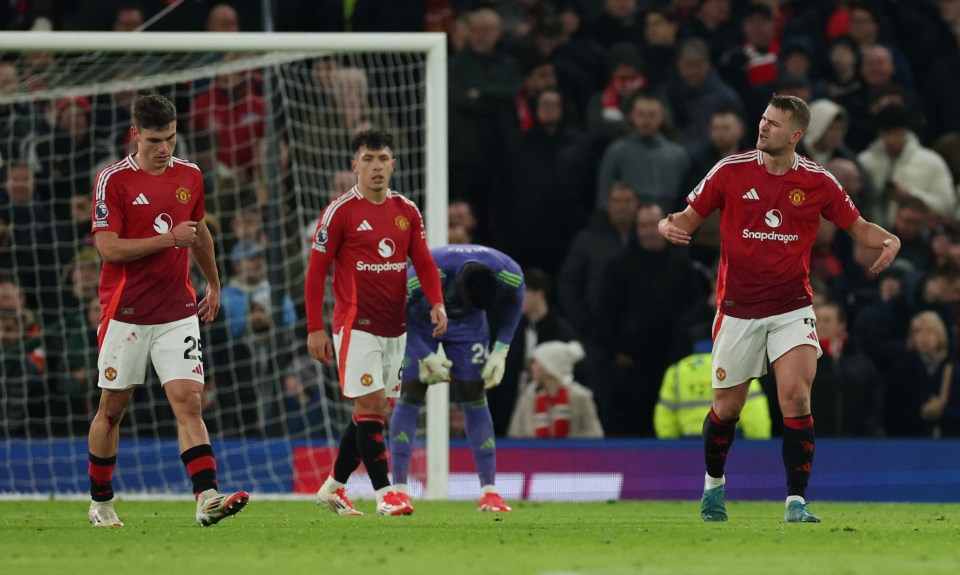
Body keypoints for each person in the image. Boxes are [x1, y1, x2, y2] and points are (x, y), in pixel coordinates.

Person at [658, 93, 901, 524]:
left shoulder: (817, 181)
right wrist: (666, 224)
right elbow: (686, 218)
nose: (763, 127)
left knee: (795, 396)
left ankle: (795, 501)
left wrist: (890, 239)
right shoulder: (730, 171)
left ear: (795, 134)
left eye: (773, 123)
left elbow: (859, 227)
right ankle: (714, 487)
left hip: (792, 307)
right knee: (727, 409)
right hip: (737, 309)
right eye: (763, 119)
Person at [86, 94, 249, 528]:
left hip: (177, 310)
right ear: (136, 135)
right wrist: (167, 240)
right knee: (112, 409)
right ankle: (101, 502)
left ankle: (207, 496)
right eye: (155, 140)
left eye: (171, 138)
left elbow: (198, 235)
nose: (165, 148)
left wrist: (213, 283)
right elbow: (108, 247)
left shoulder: (190, 176)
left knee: (189, 401)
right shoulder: (113, 181)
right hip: (127, 313)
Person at [305, 129, 446, 517]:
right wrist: (315, 328)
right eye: (368, 159)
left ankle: (333, 487)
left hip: (394, 328)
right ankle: (387, 494)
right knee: (369, 405)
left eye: (382, 158)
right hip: (356, 325)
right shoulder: (340, 212)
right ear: (355, 165)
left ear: (393, 163)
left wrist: (437, 302)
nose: (376, 166)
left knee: (373, 409)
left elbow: (424, 261)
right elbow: (315, 274)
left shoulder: (407, 211)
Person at [389, 244, 524, 513]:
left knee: (474, 393)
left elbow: (516, 301)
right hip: (419, 319)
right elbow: (395, 310)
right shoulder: (426, 273)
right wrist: (424, 354)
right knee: (412, 391)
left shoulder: (509, 272)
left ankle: (490, 492)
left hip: (470, 325)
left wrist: (501, 350)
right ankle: (399, 491)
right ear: (459, 287)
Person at [654, 340, 770, 440]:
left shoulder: (676, 371)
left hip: (688, 445)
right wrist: (757, 444)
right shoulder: (737, 367)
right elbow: (754, 411)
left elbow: (665, 416)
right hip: (730, 443)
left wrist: (670, 445)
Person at [507, 340, 604, 439]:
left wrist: (569, 445)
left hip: (573, 454)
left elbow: (596, 434)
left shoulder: (580, 397)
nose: (532, 367)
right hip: (532, 454)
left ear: (549, 367)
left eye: (536, 363)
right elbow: (515, 433)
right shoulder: (528, 396)